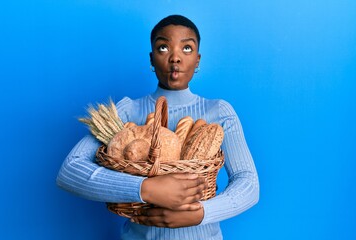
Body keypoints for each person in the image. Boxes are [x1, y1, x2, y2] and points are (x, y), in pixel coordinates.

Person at [57, 14, 259, 240]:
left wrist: (201, 214)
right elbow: (69, 171)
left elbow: (248, 182)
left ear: (198, 60)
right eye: (163, 48)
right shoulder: (127, 111)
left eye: (187, 49)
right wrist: (147, 189)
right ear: (151, 59)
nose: (175, 58)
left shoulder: (218, 112)